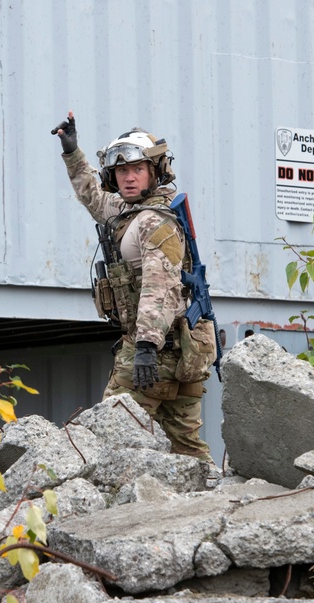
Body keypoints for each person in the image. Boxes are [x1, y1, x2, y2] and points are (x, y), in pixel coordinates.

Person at [52, 111, 216, 462]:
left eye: (137, 170)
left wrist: (144, 346)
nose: (128, 178)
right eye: (121, 171)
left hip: (152, 352)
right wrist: (72, 153)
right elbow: (93, 197)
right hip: (182, 352)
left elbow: (160, 286)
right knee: (188, 451)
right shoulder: (130, 213)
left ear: (154, 172)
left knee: (106, 438)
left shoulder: (154, 222)